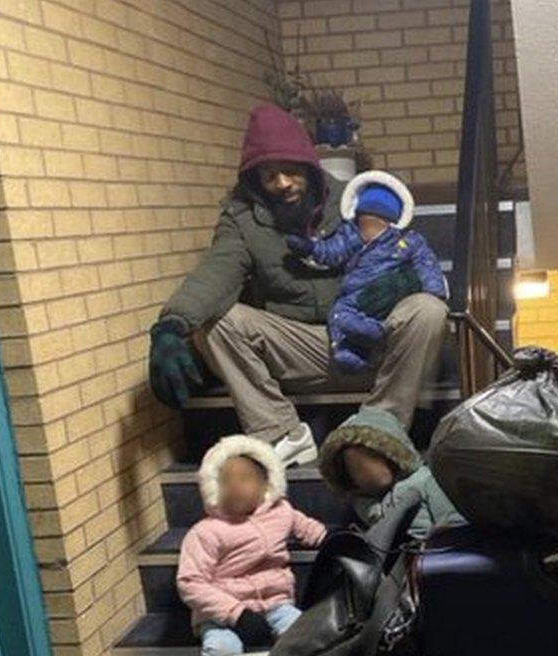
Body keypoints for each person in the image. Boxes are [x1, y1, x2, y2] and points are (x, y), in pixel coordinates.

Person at [148, 103, 448, 467]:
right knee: (216, 322)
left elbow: (405, 254)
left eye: (290, 171)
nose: (282, 183)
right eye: (269, 175)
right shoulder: (243, 220)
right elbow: (217, 271)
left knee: (428, 310)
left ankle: (380, 428)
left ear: (308, 165)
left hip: (366, 338)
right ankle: (281, 433)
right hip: (300, 348)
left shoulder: (356, 201)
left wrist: (403, 284)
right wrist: (172, 324)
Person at [177, 434, 327, 656]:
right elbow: (190, 582)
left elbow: (305, 527)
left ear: (266, 484)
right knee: (222, 651)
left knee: (305, 638)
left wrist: (327, 538)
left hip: (276, 603)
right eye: (225, 480)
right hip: (222, 613)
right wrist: (236, 613)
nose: (235, 485)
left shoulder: (281, 512)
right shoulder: (206, 532)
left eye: (245, 478)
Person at [286, 170, 447, 374]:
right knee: (339, 315)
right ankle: (351, 352)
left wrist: (434, 290)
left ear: (390, 223)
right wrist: (309, 248)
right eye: (364, 223)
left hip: (388, 297)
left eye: (376, 224)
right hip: (353, 295)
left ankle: (375, 335)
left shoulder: (407, 241)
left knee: (367, 317)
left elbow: (426, 264)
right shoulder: (351, 236)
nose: (368, 231)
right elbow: (332, 252)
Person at [318, 406, 463, 539]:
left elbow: (452, 520)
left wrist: (441, 539)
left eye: (370, 458)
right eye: (355, 467)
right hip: (389, 558)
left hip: (430, 555)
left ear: (390, 455)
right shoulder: (362, 504)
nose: (366, 472)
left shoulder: (424, 480)